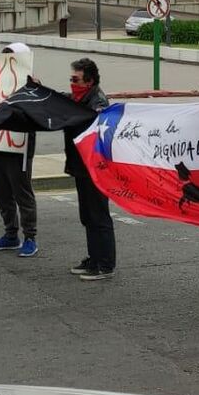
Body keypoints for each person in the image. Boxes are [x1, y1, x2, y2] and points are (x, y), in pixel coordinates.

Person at [0, 43, 40, 257]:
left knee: (22, 192)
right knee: (1, 193)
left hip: (19, 145)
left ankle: (30, 237)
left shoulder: (32, 85)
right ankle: (10, 233)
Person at [64, 57, 116, 280]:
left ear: (89, 81)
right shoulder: (79, 98)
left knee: (98, 215)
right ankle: (94, 257)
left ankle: (105, 264)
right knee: (87, 215)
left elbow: (98, 127)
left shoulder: (97, 102)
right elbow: (61, 101)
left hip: (95, 169)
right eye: (71, 79)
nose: (72, 83)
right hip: (80, 167)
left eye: (76, 79)